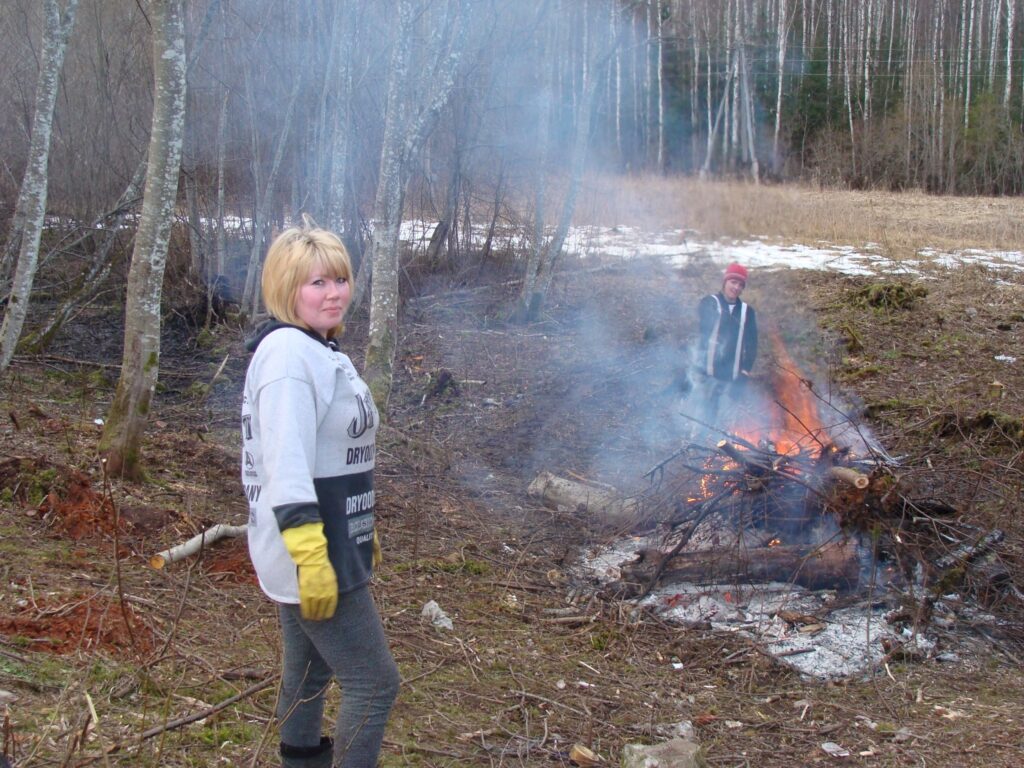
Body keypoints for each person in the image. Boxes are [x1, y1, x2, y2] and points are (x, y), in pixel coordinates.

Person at [240, 222, 400, 768]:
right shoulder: (289, 357)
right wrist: (312, 558)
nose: (334, 293)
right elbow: (285, 467)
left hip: (334, 536)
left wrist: (362, 526)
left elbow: (337, 454)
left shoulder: (319, 348)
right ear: (288, 289)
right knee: (374, 683)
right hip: (313, 548)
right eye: (317, 283)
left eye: (340, 279)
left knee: (307, 675)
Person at [690, 262, 758, 428]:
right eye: (733, 282)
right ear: (725, 282)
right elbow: (704, 327)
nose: (736, 288)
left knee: (723, 427)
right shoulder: (710, 302)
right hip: (706, 375)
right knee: (700, 422)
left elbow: (752, 344)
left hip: (731, 379)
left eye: (740, 285)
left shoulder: (747, 312)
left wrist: (745, 372)